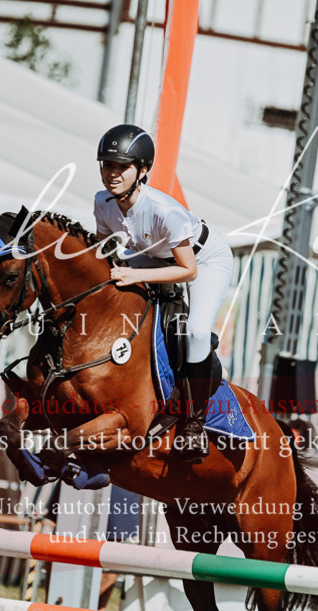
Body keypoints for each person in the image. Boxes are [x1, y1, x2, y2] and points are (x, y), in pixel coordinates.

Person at [94, 124, 233, 462]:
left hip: (203, 259)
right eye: (107, 165)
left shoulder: (162, 209)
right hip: (153, 256)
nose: (112, 174)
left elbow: (188, 270)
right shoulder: (103, 202)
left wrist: (134, 273)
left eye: (121, 167)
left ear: (141, 171)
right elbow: (104, 251)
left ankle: (194, 424)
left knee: (197, 332)